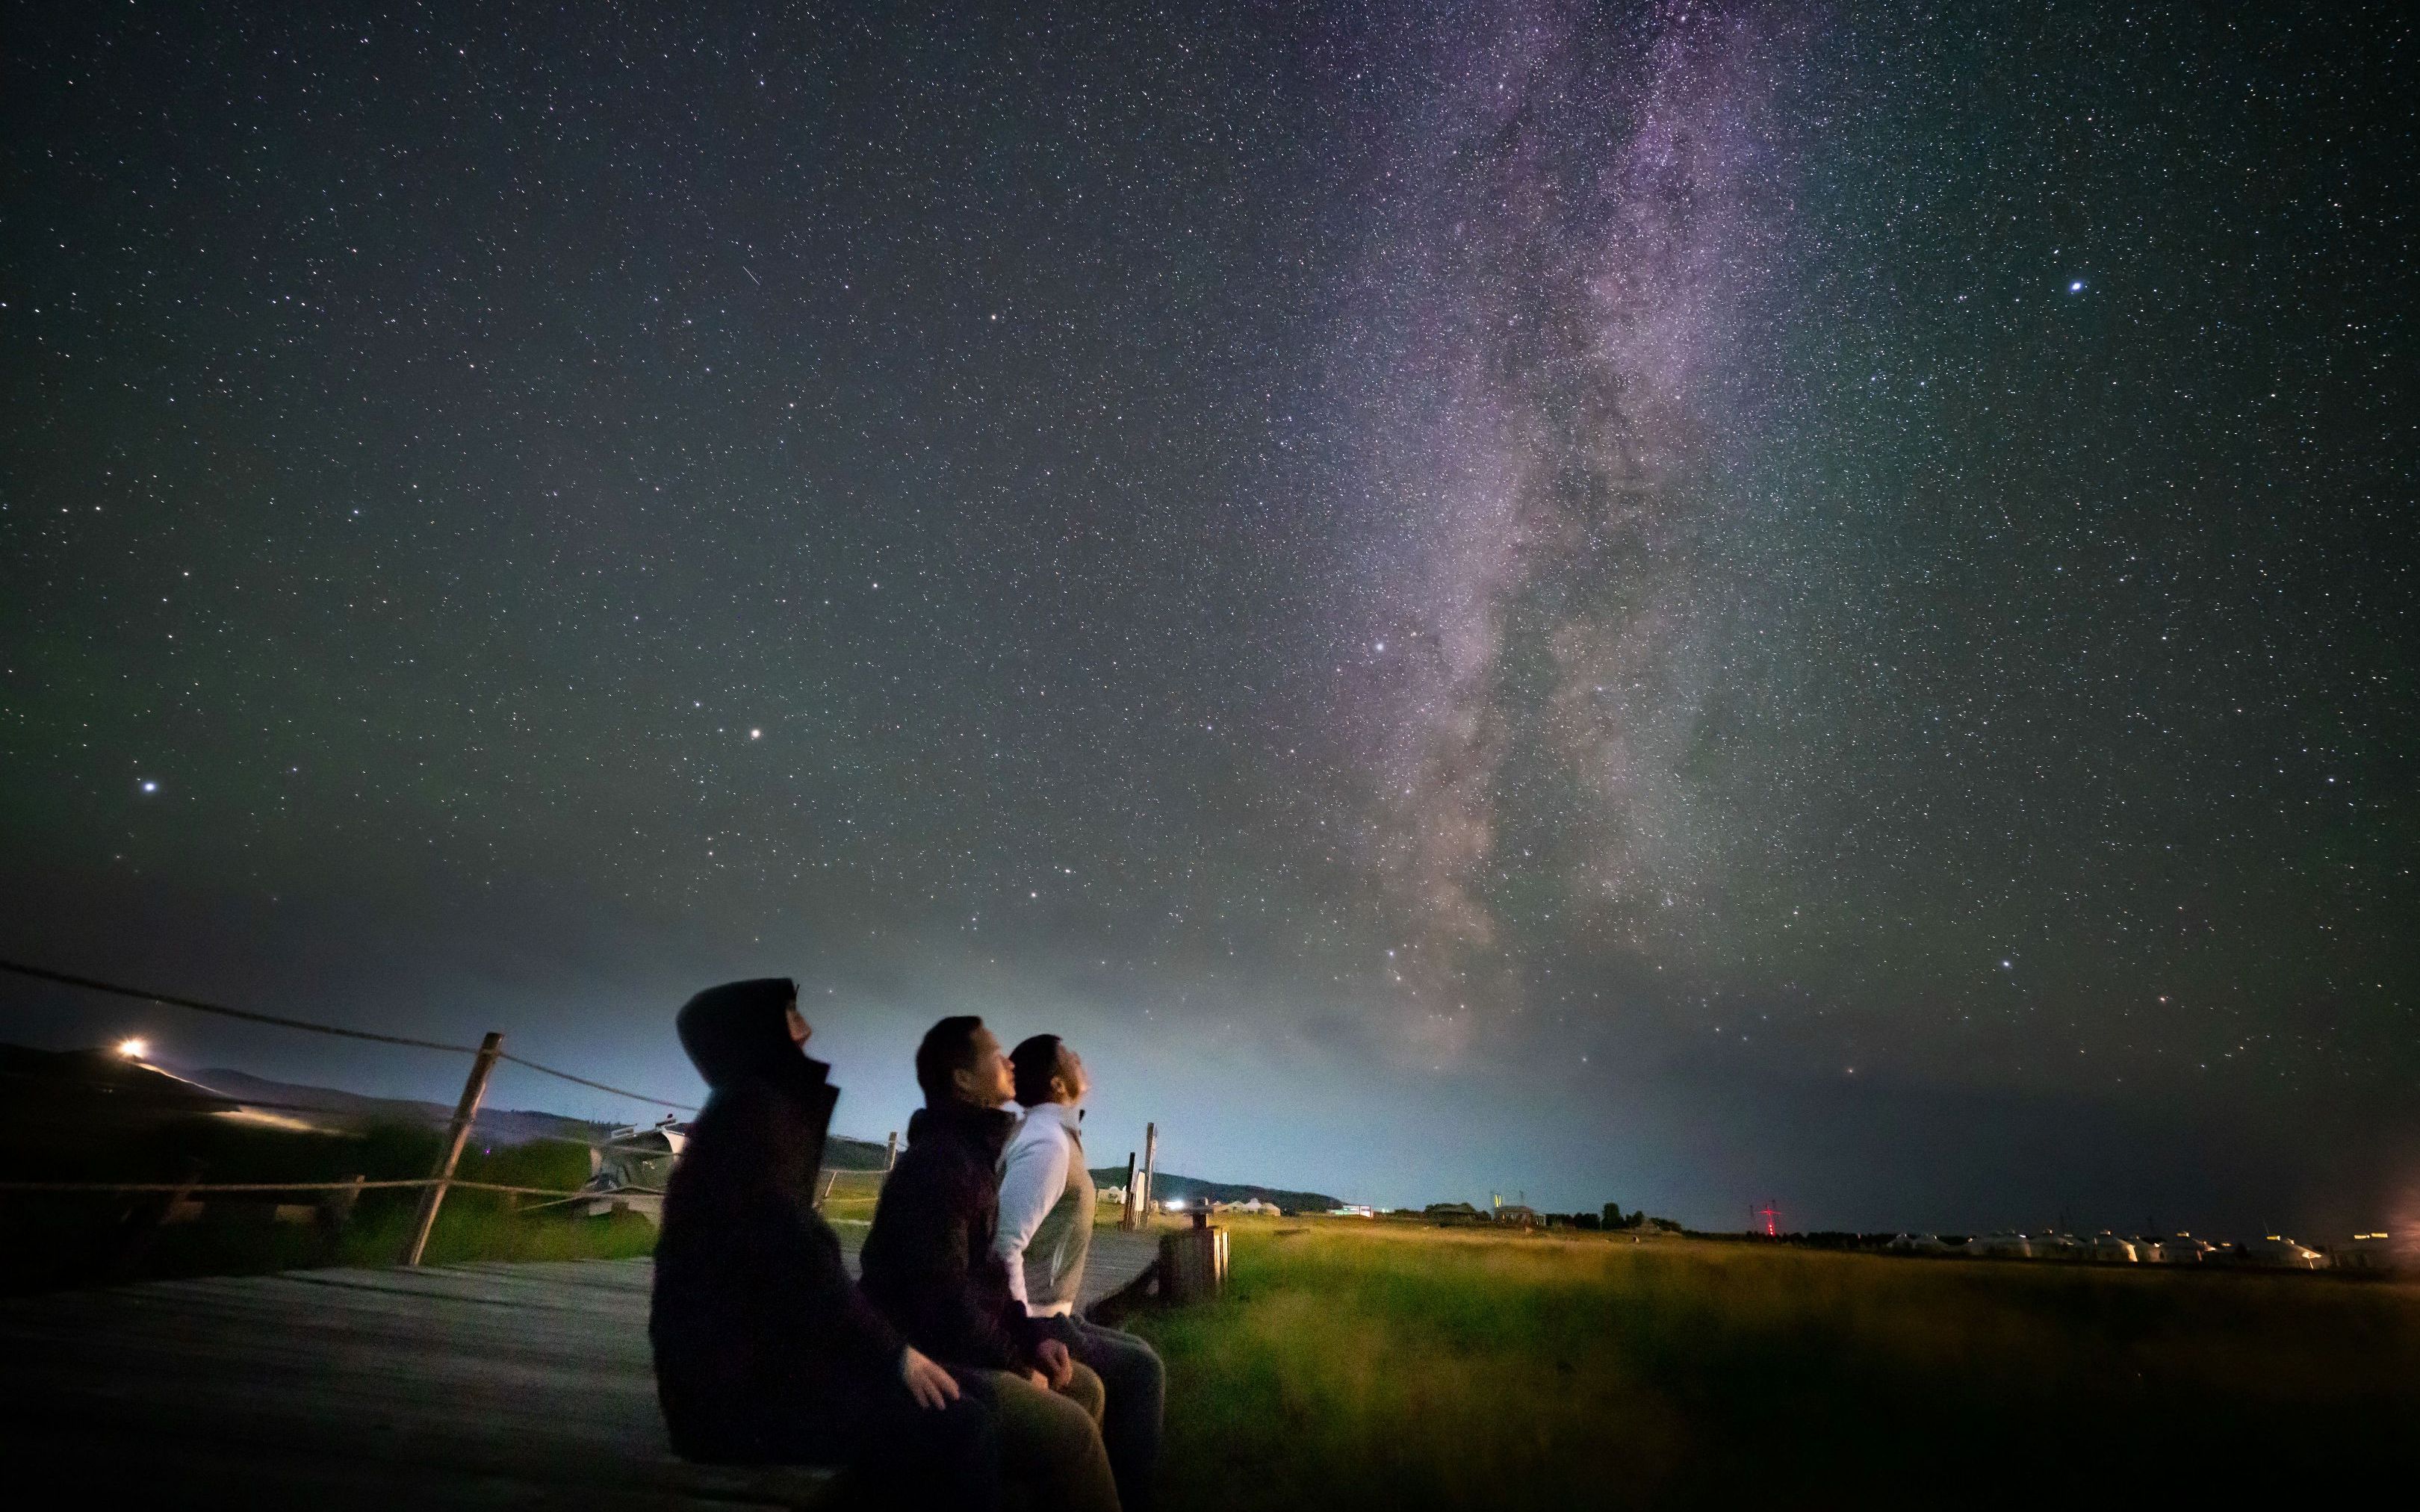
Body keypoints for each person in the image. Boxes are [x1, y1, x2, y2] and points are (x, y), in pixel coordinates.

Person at [648, 978, 997, 1508]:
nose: (807, 1027)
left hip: (734, 1383)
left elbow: (796, 1264)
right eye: (790, 1016)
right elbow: (801, 1259)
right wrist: (894, 1355)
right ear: (757, 1033)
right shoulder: (753, 1123)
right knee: (963, 1421)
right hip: (732, 1405)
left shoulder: (747, 1113)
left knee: (962, 1405)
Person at [860, 1015, 1120, 1512]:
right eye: (995, 1053)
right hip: (930, 1355)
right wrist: (1014, 1361)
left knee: (1084, 1387)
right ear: (962, 1078)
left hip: (959, 1339)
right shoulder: (940, 1164)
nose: (1009, 1062)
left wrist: (1032, 1339)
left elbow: (990, 1279)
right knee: (1074, 1434)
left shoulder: (972, 1154)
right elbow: (943, 1301)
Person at [997, 1034, 1166, 1512]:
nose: (1079, 1058)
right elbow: (1005, 1245)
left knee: (1136, 1350)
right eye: (1069, 1054)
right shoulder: (1047, 1143)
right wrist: (1023, 1333)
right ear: (1057, 1082)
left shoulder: (1055, 1134)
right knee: (1142, 1372)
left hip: (1052, 1310)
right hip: (1037, 1315)